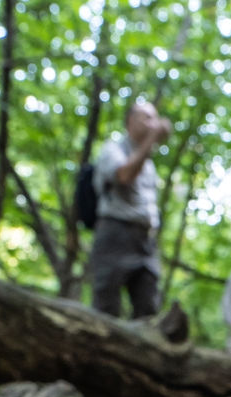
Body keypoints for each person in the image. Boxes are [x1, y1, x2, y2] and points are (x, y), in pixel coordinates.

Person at [89, 101, 171, 319]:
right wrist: (153, 139)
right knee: (105, 310)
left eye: (155, 118)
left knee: (148, 309)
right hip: (115, 234)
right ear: (130, 122)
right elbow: (124, 175)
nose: (153, 123)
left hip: (145, 241)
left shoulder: (149, 164)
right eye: (147, 117)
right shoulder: (112, 149)